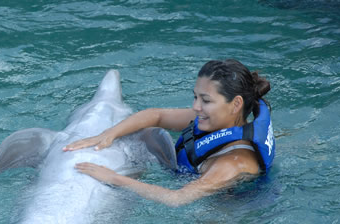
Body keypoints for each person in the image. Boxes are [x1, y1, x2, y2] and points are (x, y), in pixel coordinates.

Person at [62, 59, 274, 207]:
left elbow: (177, 199)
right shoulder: (216, 118)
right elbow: (157, 116)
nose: (196, 107)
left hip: (225, 213)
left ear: (236, 104)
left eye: (206, 100)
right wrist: (108, 134)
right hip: (190, 172)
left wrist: (114, 178)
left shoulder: (231, 163)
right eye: (195, 97)